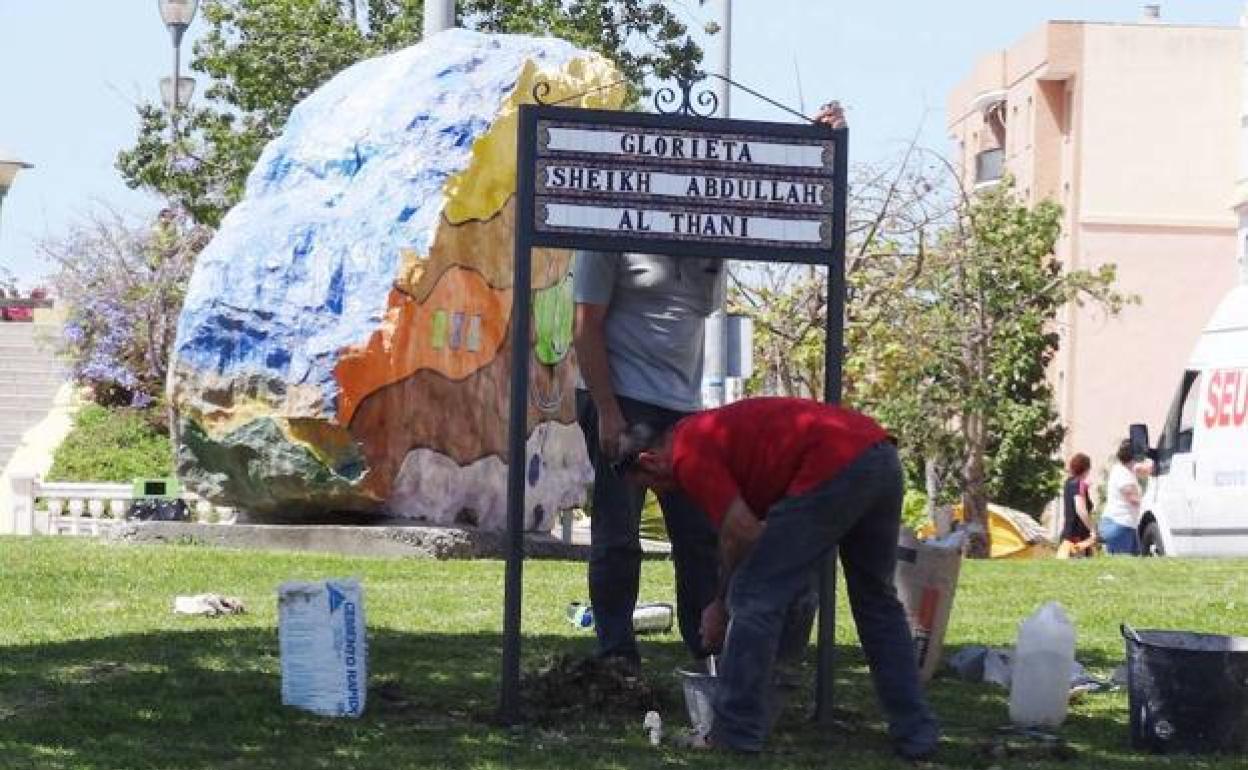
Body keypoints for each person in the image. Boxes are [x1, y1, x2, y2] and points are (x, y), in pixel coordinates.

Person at [573, 102, 848, 667]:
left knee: (698, 535)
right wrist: (607, 411)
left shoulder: (713, 231)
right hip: (623, 398)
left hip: (686, 410)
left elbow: (775, 186)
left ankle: (706, 650)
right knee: (620, 536)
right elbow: (585, 326)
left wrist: (820, 141)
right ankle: (616, 656)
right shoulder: (612, 228)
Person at [617, 396, 939, 759]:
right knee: (877, 602)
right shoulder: (711, 432)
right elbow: (749, 531)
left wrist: (721, 606)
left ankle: (735, 732)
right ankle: (917, 732)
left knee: (753, 600)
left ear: (649, 460)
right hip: (878, 454)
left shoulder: (687, 454)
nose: (659, 493)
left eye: (649, 485)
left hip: (833, 466)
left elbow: (739, 533)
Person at [1099, 440, 1142, 555]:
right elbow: (1133, 498)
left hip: (1125, 525)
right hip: (1119, 526)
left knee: (1133, 567)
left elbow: (1143, 469)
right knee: (1121, 567)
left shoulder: (1123, 469)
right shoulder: (1123, 474)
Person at [1058, 453, 1096, 558]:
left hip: (1067, 534)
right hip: (1078, 538)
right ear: (1086, 469)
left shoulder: (1068, 483)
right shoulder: (1080, 484)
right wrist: (1092, 528)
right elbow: (1080, 509)